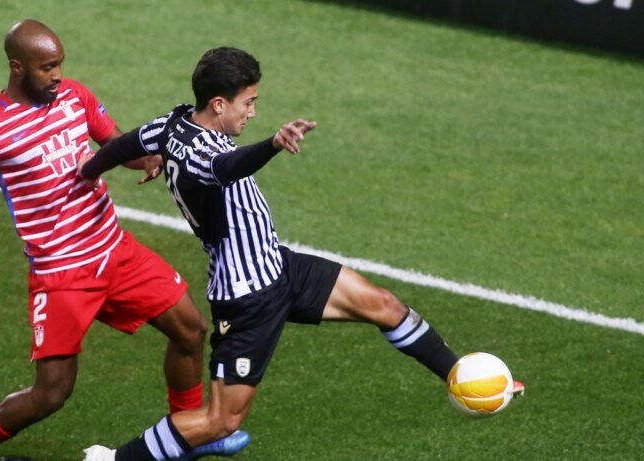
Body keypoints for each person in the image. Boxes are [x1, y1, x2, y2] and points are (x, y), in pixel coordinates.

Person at [79, 47, 526, 460]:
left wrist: (89, 172)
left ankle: (463, 376)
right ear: (218, 104)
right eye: (247, 103)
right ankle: (114, 459)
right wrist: (273, 145)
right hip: (247, 296)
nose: (252, 112)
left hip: (278, 265)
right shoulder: (199, 154)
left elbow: (127, 143)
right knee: (221, 421)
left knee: (385, 305)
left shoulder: (173, 123)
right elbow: (227, 166)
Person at [0, 22, 249, 461]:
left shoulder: (75, 96)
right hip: (62, 274)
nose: (57, 75)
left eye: (59, 64)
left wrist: (147, 158)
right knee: (51, 393)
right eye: (47, 67)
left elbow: (114, 143)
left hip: (115, 251)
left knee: (191, 329)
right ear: (17, 68)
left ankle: (190, 435)